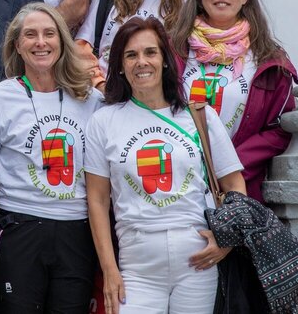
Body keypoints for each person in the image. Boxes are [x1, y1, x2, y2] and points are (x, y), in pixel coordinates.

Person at [84, 17, 246, 314]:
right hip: (136, 264)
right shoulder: (103, 121)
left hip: (198, 258)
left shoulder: (200, 116)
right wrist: (109, 269)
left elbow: (234, 183)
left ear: (165, 60)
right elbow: (97, 200)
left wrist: (227, 240)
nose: (141, 62)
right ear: (119, 65)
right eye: (131, 55)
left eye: (150, 52)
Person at [0, 3, 102, 311]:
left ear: (62, 41)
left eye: (49, 34)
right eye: (30, 35)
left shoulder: (91, 100)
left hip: (76, 231)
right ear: (17, 45)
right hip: (19, 228)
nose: (40, 42)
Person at [170, 0, 297, 203]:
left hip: (238, 188)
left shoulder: (268, 59)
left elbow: (280, 129)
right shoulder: (172, 49)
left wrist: (229, 166)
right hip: (178, 185)